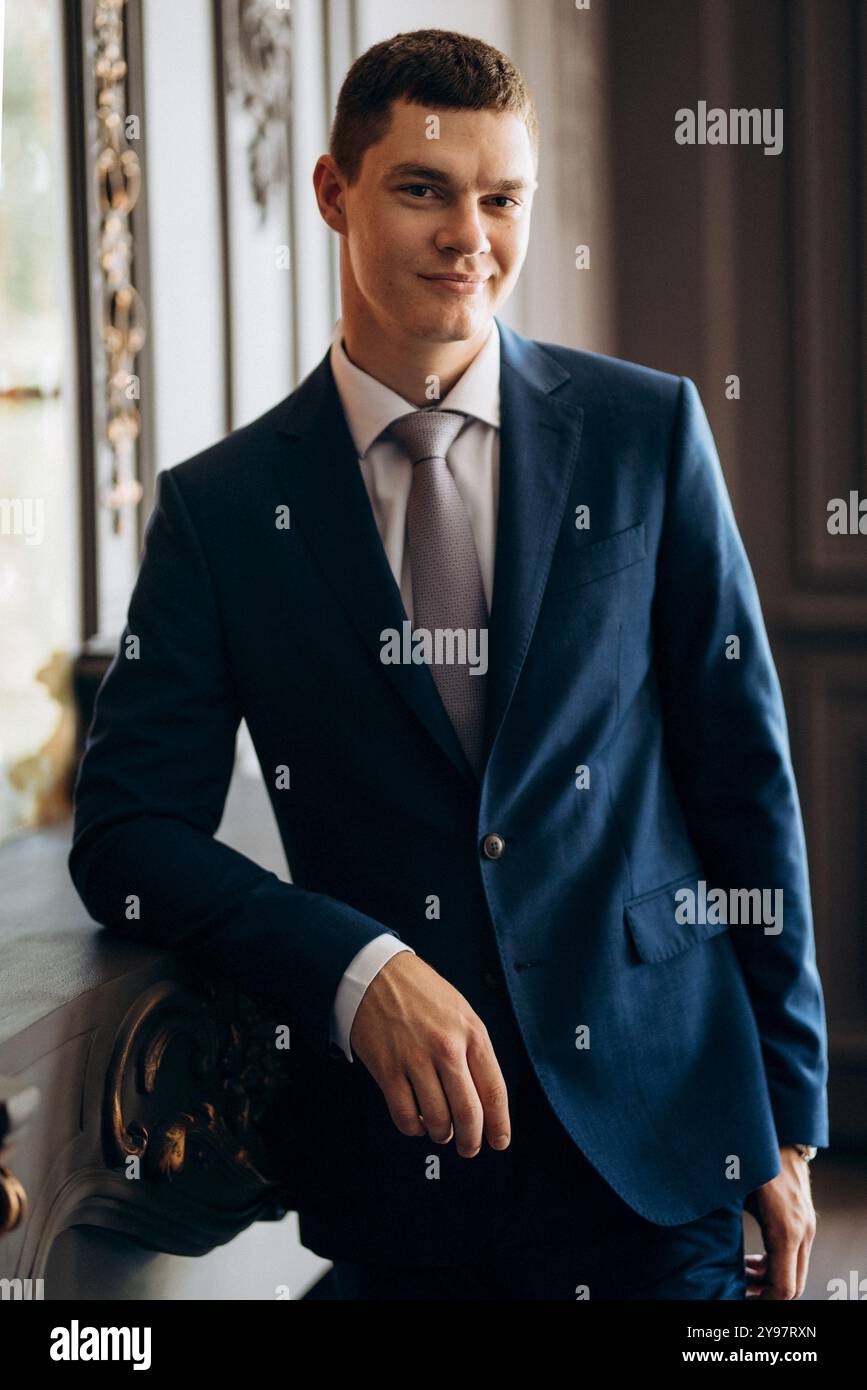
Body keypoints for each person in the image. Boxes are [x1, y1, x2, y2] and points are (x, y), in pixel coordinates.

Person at [69, 28, 827, 1300]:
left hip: (666, 1128)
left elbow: (744, 779)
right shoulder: (222, 510)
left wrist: (788, 1113)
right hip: (399, 1164)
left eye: (501, 197)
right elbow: (126, 831)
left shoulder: (648, 433)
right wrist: (353, 966)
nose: (468, 234)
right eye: (424, 188)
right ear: (333, 193)